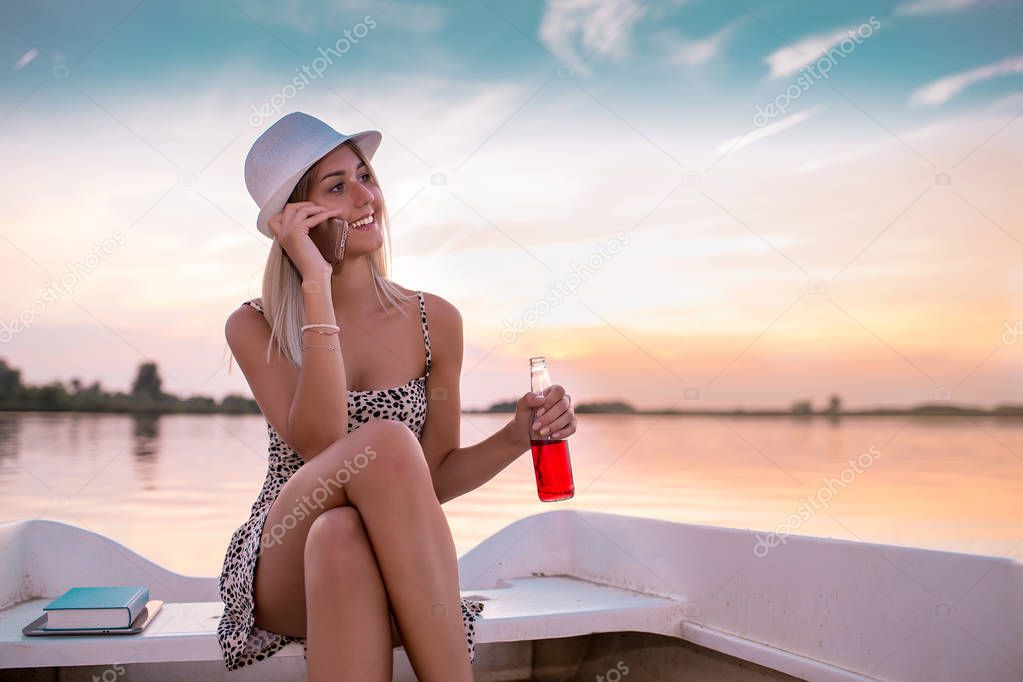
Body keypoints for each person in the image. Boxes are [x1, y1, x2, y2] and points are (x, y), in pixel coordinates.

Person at [215, 112, 578, 681]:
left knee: (345, 535)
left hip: (378, 560)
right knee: (379, 444)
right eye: (337, 187)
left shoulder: (436, 320)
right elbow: (319, 441)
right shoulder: (255, 323)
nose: (367, 197)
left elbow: (428, 481)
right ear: (296, 219)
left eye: (366, 176)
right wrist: (315, 288)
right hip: (283, 554)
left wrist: (516, 437)